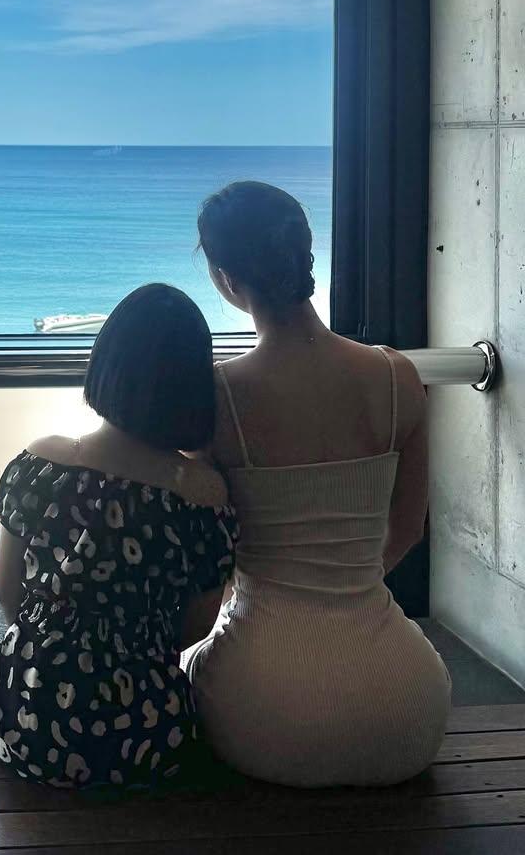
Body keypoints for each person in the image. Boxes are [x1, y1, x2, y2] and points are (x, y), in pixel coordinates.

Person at [185, 181, 451, 787]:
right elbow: (409, 527)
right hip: (406, 708)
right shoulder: (396, 376)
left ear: (226, 279)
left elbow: (204, 551)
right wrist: (342, 584)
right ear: (305, 255)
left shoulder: (219, 396)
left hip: (267, 711)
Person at [0, 283, 239, 789]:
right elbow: (196, 627)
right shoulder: (203, 496)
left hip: (29, 721)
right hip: (146, 735)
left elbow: (7, 594)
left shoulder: (41, 463)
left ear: (105, 364)